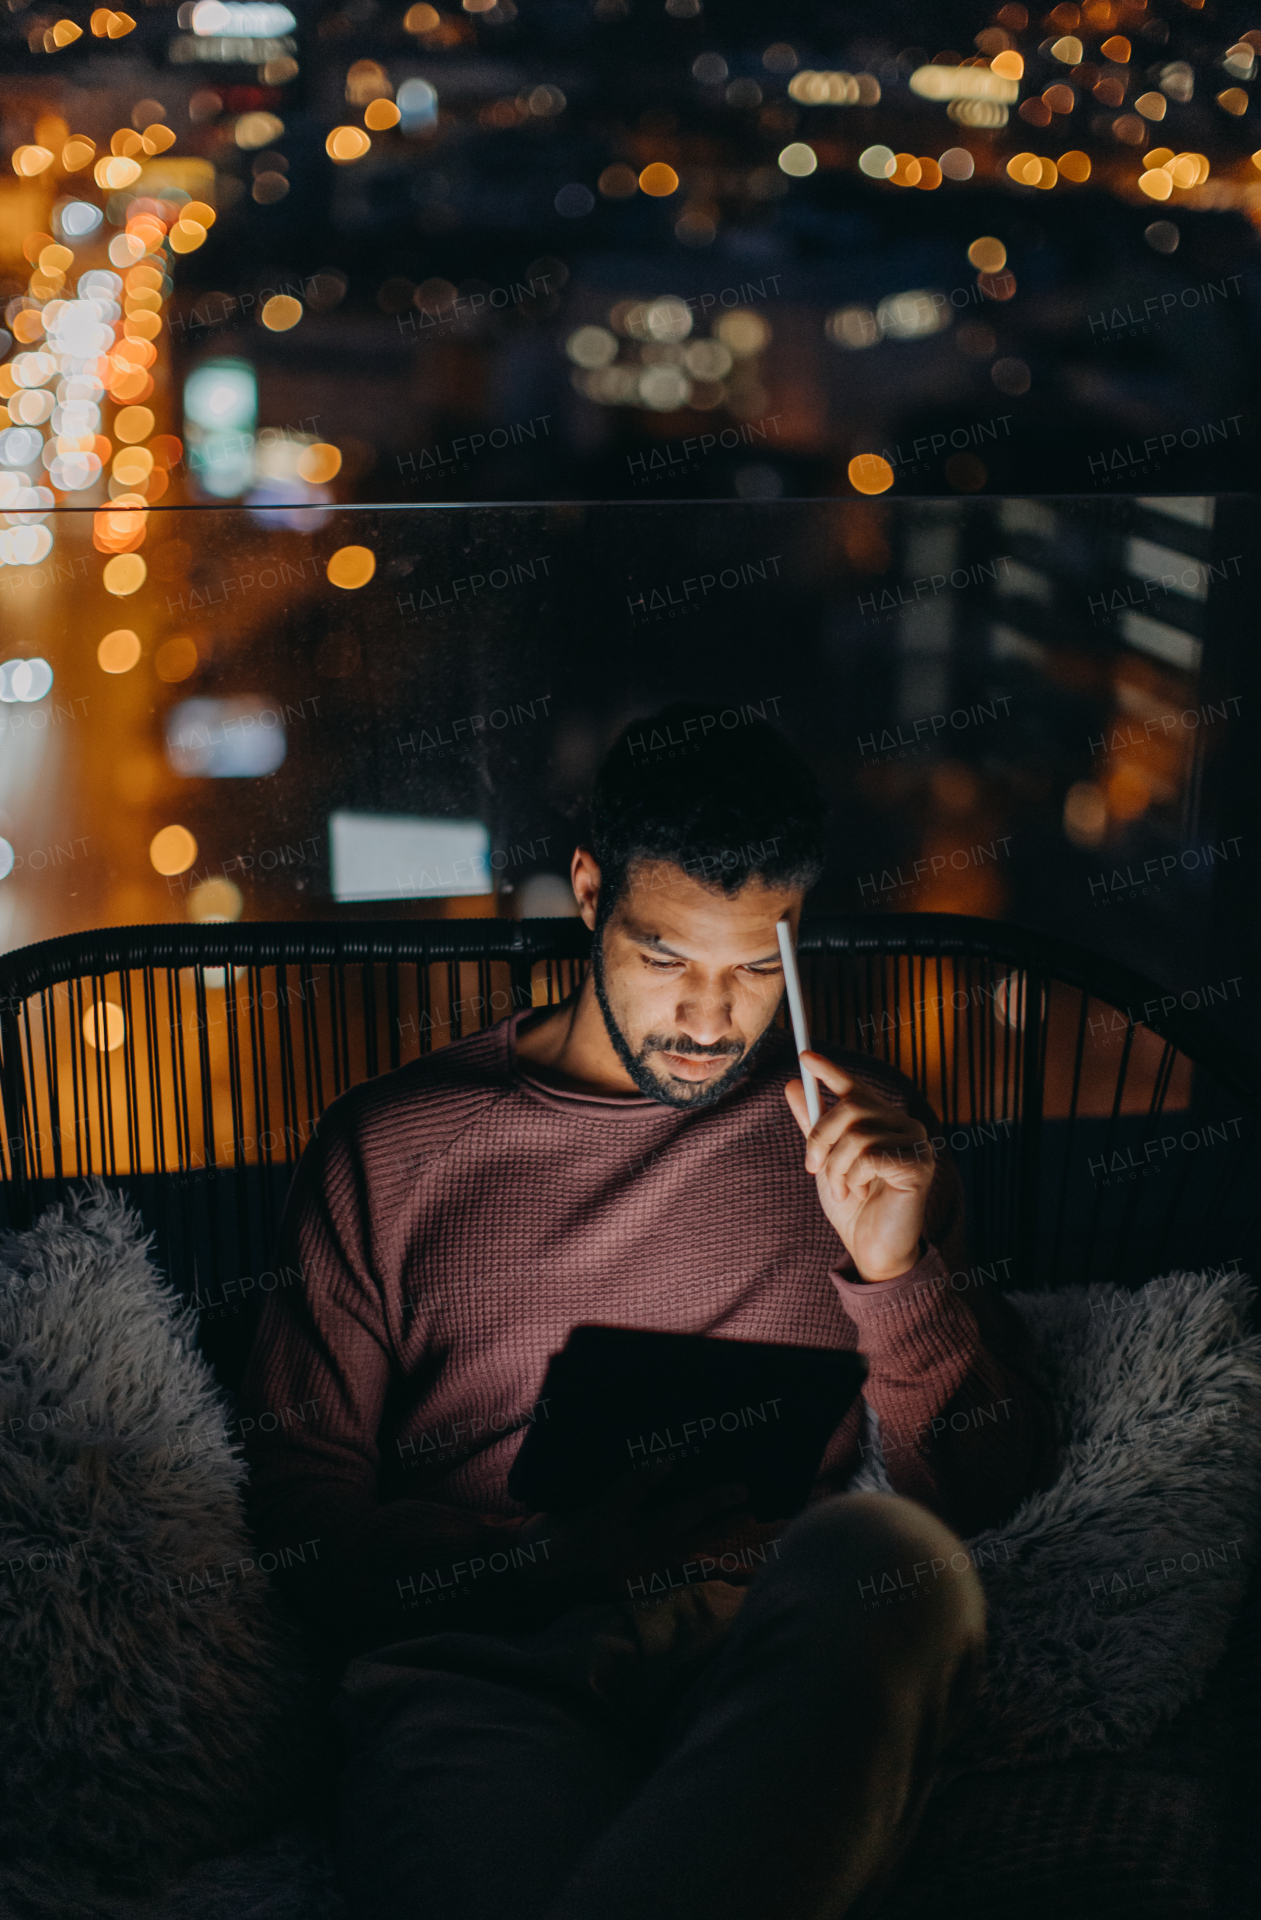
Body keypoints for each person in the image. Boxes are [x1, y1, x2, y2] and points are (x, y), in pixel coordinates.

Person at [238, 702, 1057, 1920]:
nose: (708, 1022)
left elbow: (984, 1494)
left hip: (758, 1650)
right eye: (666, 958)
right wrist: (532, 1564)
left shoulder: (856, 1135)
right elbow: (302, 1518)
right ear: (585, 893)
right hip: (492, 1670)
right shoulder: (393, 1147)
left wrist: (896, 1278)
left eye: (750, 967)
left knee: (901, 1564)